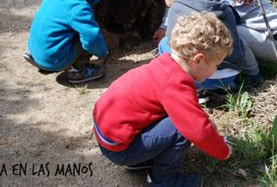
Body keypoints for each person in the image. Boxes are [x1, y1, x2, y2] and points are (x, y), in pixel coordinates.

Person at [93, 12, 233, 186]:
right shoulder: (176, 83)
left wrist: (202, 121)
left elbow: (189, 112)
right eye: (216, 65)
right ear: (198, 59)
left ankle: (141, 159)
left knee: (183, 120)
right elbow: (197, 130)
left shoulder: (164, 65)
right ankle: (162, 180)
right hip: (120, 148)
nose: (215, 70)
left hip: (110, 136)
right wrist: (223, 150)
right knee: (182, 128)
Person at [154, 0, 260, 98]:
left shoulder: (177, 8)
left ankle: (185, 86)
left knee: (165, 43)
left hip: (202, 78)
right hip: (231, 74)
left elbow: (175, 46)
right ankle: (253, 75)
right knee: (237, 39)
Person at [25, 0, 114, 83]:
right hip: (54, 59)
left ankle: (43, 57)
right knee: (87, 34)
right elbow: (92, 39)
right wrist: (102, 53)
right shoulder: (79, 7)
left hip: (36, 50)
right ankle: (79, 71)